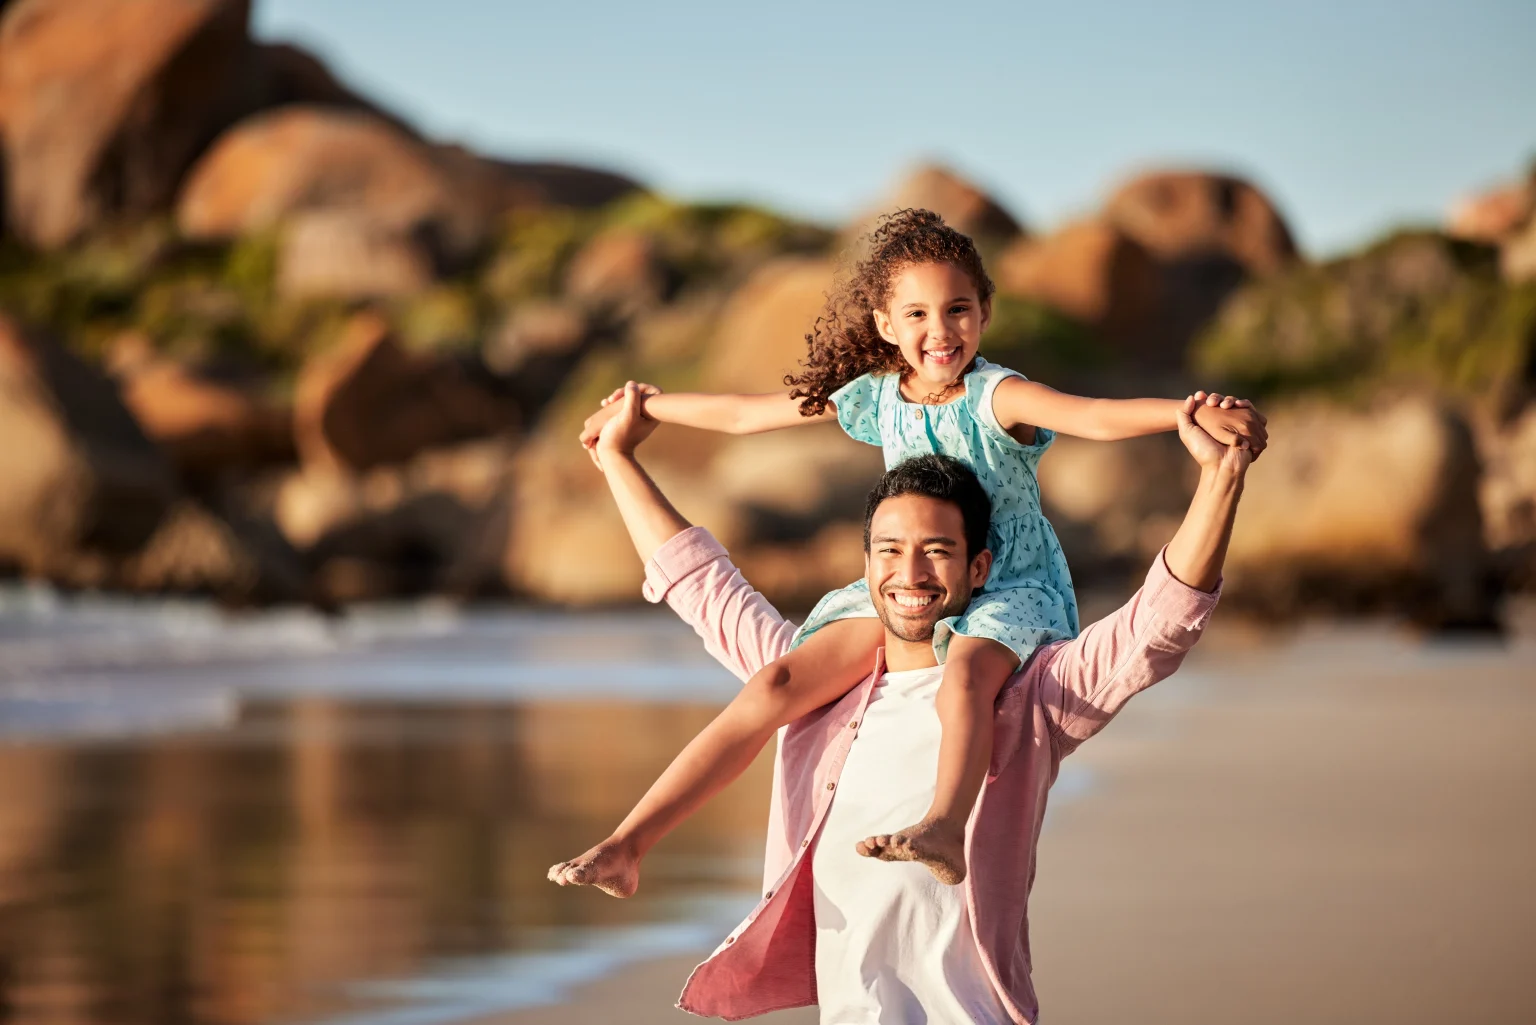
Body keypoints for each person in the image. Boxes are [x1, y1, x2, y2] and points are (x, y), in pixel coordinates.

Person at [563, 208, 1266, 888]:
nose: (941, 330)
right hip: (915, 582)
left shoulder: (998, 394)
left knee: (964, 677)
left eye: (958, 309)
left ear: (984, 312)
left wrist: (1187, 413)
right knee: (774, 682)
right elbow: (747, 414)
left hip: (1006, 586)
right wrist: (647, 408)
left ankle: (944, 824)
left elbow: (1092, 415)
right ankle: (631, 842)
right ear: (885, 324)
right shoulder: (877, 396)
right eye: (919, 314)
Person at [551, 380, 1253, 1023]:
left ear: (980, 567)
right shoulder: (816, 690)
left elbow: (1155, 628)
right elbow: (701, 584)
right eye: (889, 550)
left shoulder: (1030, 698)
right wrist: (616, 456)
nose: (910, 572)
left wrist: (1221, 477)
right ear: (865, 566)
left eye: (937, 550)